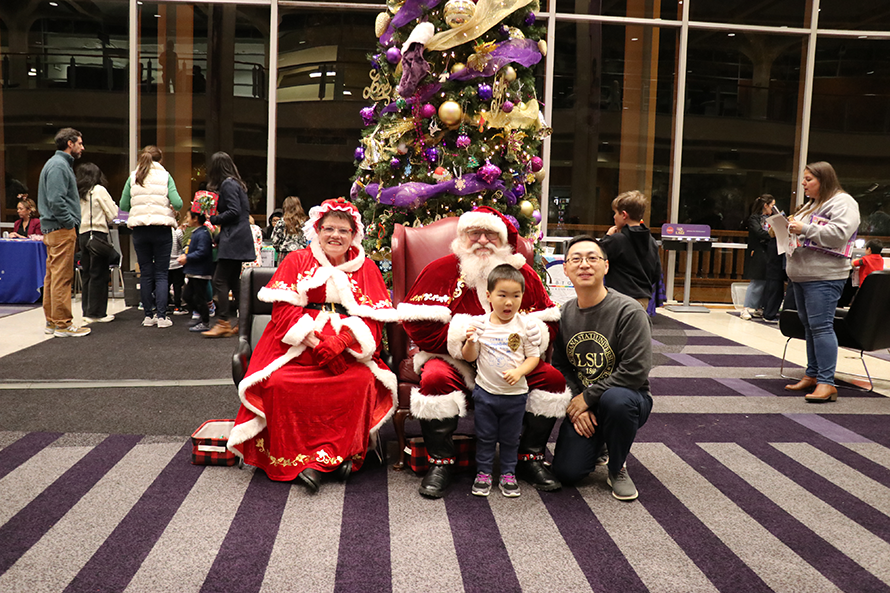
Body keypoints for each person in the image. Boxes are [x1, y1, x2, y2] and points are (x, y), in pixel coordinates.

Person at [227, 198, 398, 493]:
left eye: (343, 230)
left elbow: (374, 319)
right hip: (296, 351)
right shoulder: (296, 260)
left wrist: (342, 342)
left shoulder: (367, 267)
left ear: (354, 234)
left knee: (360, 382)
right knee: (279, 384)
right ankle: (304, 460)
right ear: (317, 230)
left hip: (349, 353)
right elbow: (283, 312)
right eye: (329, 228)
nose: (335, 235)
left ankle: (339, 455)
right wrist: (316, 342)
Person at [399, 206, 568, 498]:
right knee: (435, 378)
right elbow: (416, 324)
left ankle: (529, 457)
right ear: (462, 237)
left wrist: (535, 334)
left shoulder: (522, 274)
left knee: (552, 379)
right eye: (474, 233)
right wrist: (459, 334)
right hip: (453, 360)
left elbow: (549, 320)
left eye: (490, 234)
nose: (482, 240)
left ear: (502, 240)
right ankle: (441, 462)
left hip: (512, 362)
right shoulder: (439, 271)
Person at [551, 236, 653, 501]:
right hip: (587, 401)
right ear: (565, 269)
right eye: (576, 259)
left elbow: (635, 370)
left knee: (616, 401)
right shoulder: (563, 314)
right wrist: (577, 403)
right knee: (567, 472)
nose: (584, 265)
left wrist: (587, 397)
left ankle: (617, 467)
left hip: (629, 398)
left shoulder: (629, 311)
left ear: (606, 266)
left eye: (592, 258)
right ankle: (602, 443)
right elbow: (560, 366)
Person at [461, 264, 542, 498]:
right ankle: (484, 473)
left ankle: (508, 474)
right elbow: (469, 357)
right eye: (502, 295)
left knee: (510, 438)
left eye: (516, 296)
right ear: (489, 296)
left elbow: (534, 357)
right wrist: (471, 342)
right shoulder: (481, 324)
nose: (509, 302)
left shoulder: (525, 326)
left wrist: (519, 372)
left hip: (515, 396)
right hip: (485, 393)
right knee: (485, 436)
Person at [784, 161, 861, 403]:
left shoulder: (843, 202)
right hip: (802, 275)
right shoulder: (812, 204)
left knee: (821, 327)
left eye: (809, 179)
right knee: (810, 327)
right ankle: (813, 375)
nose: (803, 184)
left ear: (824, 179)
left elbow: (839, 234)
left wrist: (803, 228)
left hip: (824, 277)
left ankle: (827, 382)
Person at [121, 145, 183, 328]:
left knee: (146, 273)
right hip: (161, 229)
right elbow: (178, 203)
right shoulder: (165, 176)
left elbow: (123, 205)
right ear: (160, 160)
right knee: (162, 274)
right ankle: (162, 317)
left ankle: (148, 316)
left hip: (140, 230)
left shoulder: (133, 177)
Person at [38, 127, 90, 337]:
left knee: (52, 276)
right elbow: (56, 200)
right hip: (61, 229)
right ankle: (63, 324)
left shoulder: (54, 164)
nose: (82, 147)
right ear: (70, 143)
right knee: (62, 277)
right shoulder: (59, 166)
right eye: (80, 143)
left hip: (53, 229)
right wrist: (70, 223)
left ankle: (52, 321)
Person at [201, 152, 255, 338]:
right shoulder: (237, 183)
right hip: (239, 236)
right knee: (233, 282)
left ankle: (223, 321)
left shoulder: (227, 184)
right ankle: (245, 322)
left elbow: (233, 211)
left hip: (233, 238)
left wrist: (213, 218)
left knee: (219, 280)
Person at [599, 190, 662, 311]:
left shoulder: (616, 240)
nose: (614, 217)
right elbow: (656, 274)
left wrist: (607, 237)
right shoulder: (652, 241)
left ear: (624, 215)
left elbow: (596, 256)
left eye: (615, 213)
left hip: (619, 299)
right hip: (643, 299)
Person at [76, 162, 118, 324]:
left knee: (87, 273)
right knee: (99, 274)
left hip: (83, 235)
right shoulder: (99, 190)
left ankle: (87, 311)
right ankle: (97, 313)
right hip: (98, 235)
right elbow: (113, 213)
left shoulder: (78, 193)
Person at [177, 193, 215, 333]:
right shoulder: (198, 232)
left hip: (200, 272)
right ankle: (201, 318)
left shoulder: (203, 233)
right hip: (194, 271)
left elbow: (202, 252)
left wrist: (187, 258)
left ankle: (205, 321)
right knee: (187, 296)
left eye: (188, 217)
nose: (187, 219)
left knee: (199, 297)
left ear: (195, 218)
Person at [740, 195, 774, 320]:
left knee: (766, 281)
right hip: (758, 250)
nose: (773, 208)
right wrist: (773, 234)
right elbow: (759, 232)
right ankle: (746, 308)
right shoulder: (754, 218)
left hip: (769, 251)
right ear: (765, 205)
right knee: (756, 280)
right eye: (772, 205)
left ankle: (759, 307)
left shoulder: (772, 218)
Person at [271, 195, 308, 263]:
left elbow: (275, 241)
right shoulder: (303, 223)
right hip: (300, 254)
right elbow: (306, 239)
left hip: (285, 254)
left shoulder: (281, 222)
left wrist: (279, 248)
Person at [168, 217, 187, 315]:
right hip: (177, 263)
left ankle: (165, 306)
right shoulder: (178, 233)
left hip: (166, 263)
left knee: (165, 285)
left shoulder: (163, 233)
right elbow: (183, 246)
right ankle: (177, 306)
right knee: (177, 286)